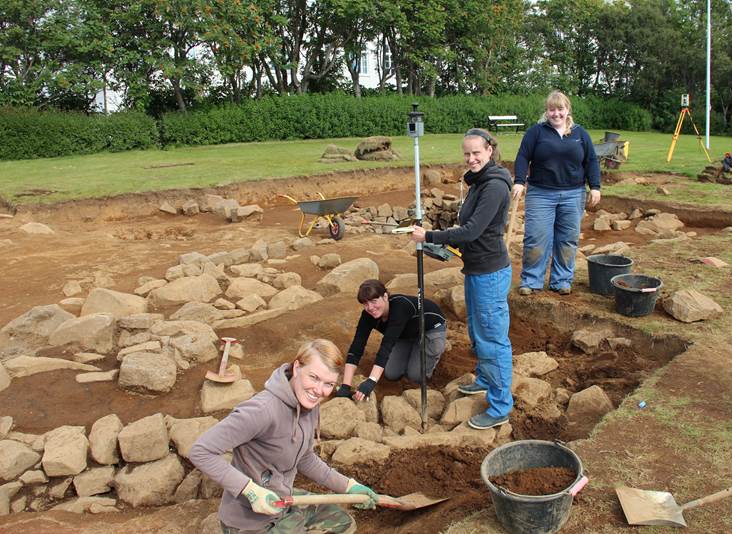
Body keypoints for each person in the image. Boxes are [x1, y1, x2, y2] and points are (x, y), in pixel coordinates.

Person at [189, 339, 378, 533]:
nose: (319, 390)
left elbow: (305, 457)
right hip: (250, 523)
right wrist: (250, 490)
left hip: (282, 503)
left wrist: (348, 486)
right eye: (313, 377)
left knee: (343, 523)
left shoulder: (308, 405)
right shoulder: (262, 410)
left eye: (328, 384)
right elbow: (201, 451)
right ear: (296, 367)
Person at [411, 128, 513, 430]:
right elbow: (467, 228)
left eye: (476, 153)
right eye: (466, 154)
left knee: (493, 339)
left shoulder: (493, 187)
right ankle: (483, 379)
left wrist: (429, 235)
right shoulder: (480, 182)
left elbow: (471, 230)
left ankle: (500, 406)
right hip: (477, 269)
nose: (471, 158)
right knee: (477, 331)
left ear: (489, 151)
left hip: (490, 273)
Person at [513, 90, 601, 296]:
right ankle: (531, 280)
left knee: (567, 239)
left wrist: (595, 186)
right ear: (547, 111)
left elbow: (591, 161)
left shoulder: (580, 134)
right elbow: (523, 156)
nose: (556, 113)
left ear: (567, 110)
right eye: (552, 109)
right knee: (536, 237)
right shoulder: (536, 132)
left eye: (560, 109)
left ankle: (561, 280)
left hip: (573, 194)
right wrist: (519, 181)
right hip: (541, 194)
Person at [336, 279, 447, 401]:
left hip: (430, 329)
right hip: (404, 335)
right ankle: (414, 349)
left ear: (385, 296)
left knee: (415, 376)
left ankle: (431, 352)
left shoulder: (400, 307)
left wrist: (371, 381)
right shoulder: (368, 315)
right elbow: (357, 346)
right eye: (365, 303)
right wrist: (345, 386)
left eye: (374, 301)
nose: (370, 307)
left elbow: (386, 346)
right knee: (391, 374)